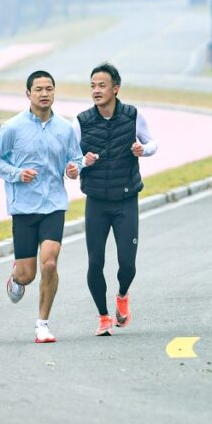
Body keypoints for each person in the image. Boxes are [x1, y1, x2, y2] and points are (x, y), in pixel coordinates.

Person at [0, 70, 85, 343]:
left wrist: (75, 168)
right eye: (39, 89)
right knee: (28, 274)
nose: (44, 94)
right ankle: (16, 279)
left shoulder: (65, 128)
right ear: (28, 94)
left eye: (49, 89)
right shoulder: (12, 128)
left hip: (54, 205)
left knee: (50, 263)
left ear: (54, 92)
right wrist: (17, 173)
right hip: (24, 209)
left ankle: (42, 324)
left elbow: (76, 158)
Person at [73, 63, 158, 336]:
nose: (96, 91)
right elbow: (71, 161)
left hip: (125, 199)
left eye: (102, 86)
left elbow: (153, 143)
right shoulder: (82, 121)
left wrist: (142, 149)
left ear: (115, 88)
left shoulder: (133, 115)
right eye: (93, 86)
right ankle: (103, 317)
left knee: (127, 264)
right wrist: (81, 163)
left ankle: (122, 295)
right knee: (95, 262)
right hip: (96, 201)